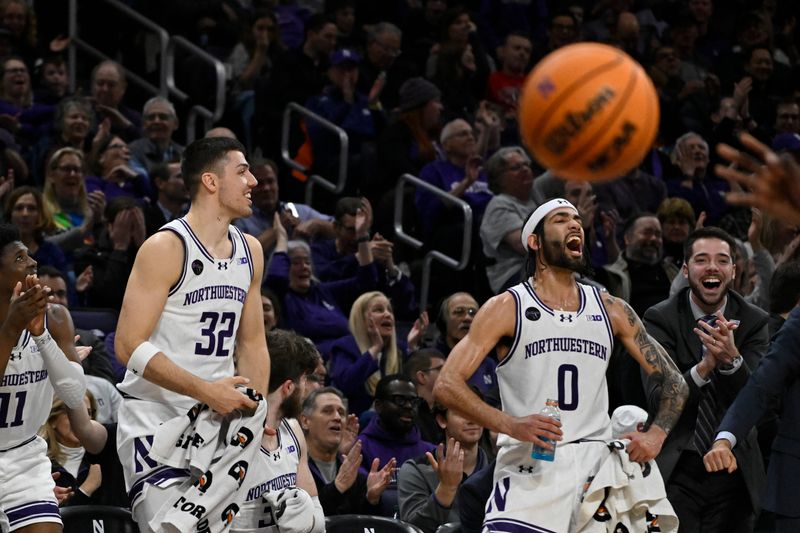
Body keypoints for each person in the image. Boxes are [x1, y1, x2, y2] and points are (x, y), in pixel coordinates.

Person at [433, 198, 689, 532]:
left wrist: (656, 435)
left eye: (577, 220)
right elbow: (446, 384)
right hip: (531, 466)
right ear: (535, 242)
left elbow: (675, 382)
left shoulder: (611, 308)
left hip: (596, 469)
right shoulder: (507, 307)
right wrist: (509, 424)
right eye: (560, 219)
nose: (574, 225)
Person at [113, 137, 270, 532]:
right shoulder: (166, 246)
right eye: (242, 171)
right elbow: (128, 345)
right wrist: (205, 391)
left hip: (215, 424)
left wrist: (255, 415)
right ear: (210, 182)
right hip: (156, 423)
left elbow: (251, 344)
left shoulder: (250, 251)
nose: (253, 181)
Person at [642, 226, 769, 531]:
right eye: (702, 260)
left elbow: (758, 400)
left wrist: (731, 361)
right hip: (677, 464)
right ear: (686, 270)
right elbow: (657, 397)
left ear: (733, 270)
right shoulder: (660, 319)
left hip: (733, 466)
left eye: (722, 260)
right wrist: (703, 368)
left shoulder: (753, 321)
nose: (712, 267)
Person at [0, 222, 87, 532]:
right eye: (20, 259)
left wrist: (41, 337)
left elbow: (76, 396)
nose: (33, 262)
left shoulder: (56, 318)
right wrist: (11, 328)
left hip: (24, 457)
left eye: (30, 255)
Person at [230, 329, 325, 533]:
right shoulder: (229, 434)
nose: (306, 389)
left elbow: (318, 517)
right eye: (304, 380)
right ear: (288, 388)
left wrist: (307, 523)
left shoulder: (293, 430)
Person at [329, 290, 427, 416]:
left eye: (389, 310)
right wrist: (374, 349)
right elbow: (346, 385)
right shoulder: (344, 347)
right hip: (359, 421)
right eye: (378, 310)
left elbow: (417, 387)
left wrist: (412, 347)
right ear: (361, 318)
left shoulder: (401, 349)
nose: (387, 314)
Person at [397, 397, 489, 533]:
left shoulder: (499, 469)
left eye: (476, 411)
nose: (472, 420)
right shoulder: (416, 469)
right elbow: (414, 529)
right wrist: (447, 488)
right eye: (461, 413)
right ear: (442, 420)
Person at [300, 386, 393, 516]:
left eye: (341, 412)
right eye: (327, 411)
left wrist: (371, 500)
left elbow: (366, 525)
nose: (337, 417)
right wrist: (337, 488)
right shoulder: (293, 471)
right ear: (305, 421)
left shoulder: (356, 476)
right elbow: (303, 519)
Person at [358, 373, 435, 517]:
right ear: (378, 406)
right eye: (399, 400)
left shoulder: (430, 452)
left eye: (413, 401)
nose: (408, 406)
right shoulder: (360, 448)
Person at [43, 392, 128, 507]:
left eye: (88, 413)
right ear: (53, 420)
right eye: (72, 415)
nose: (81, 421)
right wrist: (88, 487)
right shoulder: (41, 464)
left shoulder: (108, 457)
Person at [479, 146, 536, 293]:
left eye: (526, 165)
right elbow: (525, 245)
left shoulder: (535, 197)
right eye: (516, 167)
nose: (524, 169)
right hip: (515, 278)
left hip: (542, 271)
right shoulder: (498, 205)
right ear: (499, 179)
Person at [128, 96, 184, 180]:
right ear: (143, 124)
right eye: (151, 118)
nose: (156, 121)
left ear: (175, 123)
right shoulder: (131, 151)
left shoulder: (185, 154)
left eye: (163, 117)